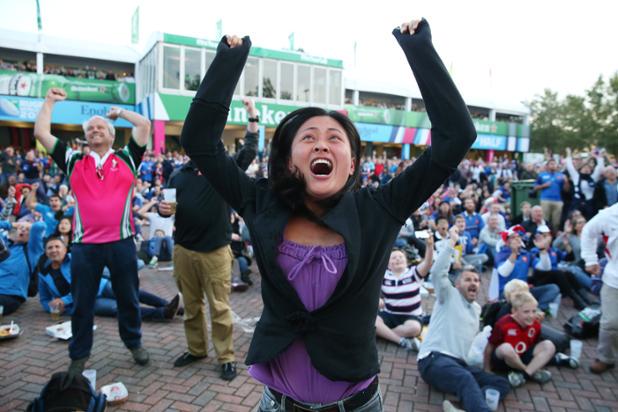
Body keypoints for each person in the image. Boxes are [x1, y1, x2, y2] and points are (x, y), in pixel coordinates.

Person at [181, 18, 477, 410]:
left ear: (351, 164)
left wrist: (419, 49)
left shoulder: (380, 209)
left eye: (334, 138)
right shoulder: (261, 202)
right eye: (308, 137)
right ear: (290, 161)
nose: (321, 145)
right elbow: (200, 141)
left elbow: (456, 136)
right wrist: (229, 61)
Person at [33, 87, 151, 378]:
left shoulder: (128, 158)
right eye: (90, 129)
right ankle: (79, 355)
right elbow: (41, 133)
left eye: (101, 127)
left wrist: (120, 112)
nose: (95, 130)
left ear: (112, 135)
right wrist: (49, 102)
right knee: (82, 303)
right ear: (86, 137)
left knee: (128, 298)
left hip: (122, 242)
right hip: (85, 246)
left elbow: (144, 125)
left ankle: (133, 342)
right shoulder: (74, 160)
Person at [160, 97, 258, 380]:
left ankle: (226, 357)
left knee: (219, 308)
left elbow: (250, 148)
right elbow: (169, 208)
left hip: (215, 251)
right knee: (191, 307)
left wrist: (252, 114)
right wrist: (163, 210)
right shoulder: (177, 175)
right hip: (184, 250)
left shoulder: (224, 170)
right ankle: (197, 349)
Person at [418, 228, 510, 412]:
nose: (473, 283)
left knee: (501, 383)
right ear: (458, 284)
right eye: (468, 280)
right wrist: (451, 242)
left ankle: (467, 406)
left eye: (476, 280)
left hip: (460, 365)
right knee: (465, 379)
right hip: (434, 360)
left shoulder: (477, 309)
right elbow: (437, 272)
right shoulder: (448, 295)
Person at [38, 236, 179, 320]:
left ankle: (169, 305)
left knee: (132, 293)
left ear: (65, 249)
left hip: (100, 286)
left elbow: (83, 285)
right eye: (50, 248)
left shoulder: (76, 259)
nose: (54, 250)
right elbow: (44, 299)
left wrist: (63, 300)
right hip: (86, 303)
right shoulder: (43, 273)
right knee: (118, 309)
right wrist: (52, 307)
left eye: (57, 247)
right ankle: (163, 313)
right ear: (45, 251)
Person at [484, 292, 555, 388]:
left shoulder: (535, 323)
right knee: (506, 348)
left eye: (534, 311)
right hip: (504, 360)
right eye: (526, 312)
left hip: (522, 354)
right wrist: (487, 369)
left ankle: (523, 376)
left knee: (549, 345)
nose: (531, 315)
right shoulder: (503, 324)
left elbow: (534, 344)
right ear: (514, 311)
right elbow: (490, 345)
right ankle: (530, 372)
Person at [375, 237, 433, 351]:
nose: (398, 259)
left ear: (406, 262)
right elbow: (372, 291)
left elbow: (428, 263)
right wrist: (377, 299)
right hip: (389, 314)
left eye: (401, 257)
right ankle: (401, 341)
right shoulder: (384, 276)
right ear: (388, 264)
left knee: (415, 328)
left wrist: (429, 246)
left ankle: (384, 334)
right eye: (394, 258)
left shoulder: (414, 273)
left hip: (411, 316)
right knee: (373, 322)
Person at [581, 203, 618, 374]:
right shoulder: (610, 215)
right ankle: (606, 358)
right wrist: (590, 259)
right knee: (610, 322)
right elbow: (588, 231)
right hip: (614, 279)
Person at [0, 219, 46, 314]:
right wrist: (11, 224)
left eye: (27, 229)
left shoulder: (33, 250)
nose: (23, 230)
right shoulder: (6, 245)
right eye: (21, 228)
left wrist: (26, 225)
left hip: (10, 295)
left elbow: (39, 226)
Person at [533, 159, 565, 232]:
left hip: (558, 200)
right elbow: (535, 187)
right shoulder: (542, 175)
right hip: (545, 200)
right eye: (551, 164)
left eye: (554, 164)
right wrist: (543, 185)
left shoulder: (560, 176)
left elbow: (566, 189)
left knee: (556, 222)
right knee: (545, 220)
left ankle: (554, 235)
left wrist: (566, 181)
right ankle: (544, 233)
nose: (553, 165)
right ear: (547, 166)